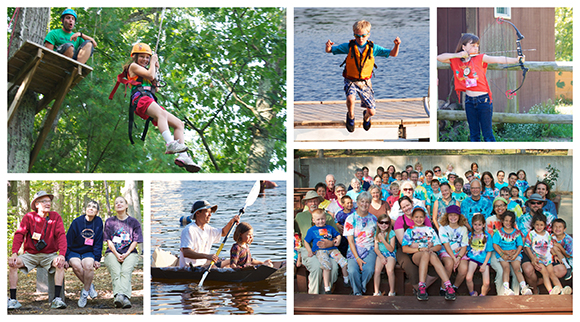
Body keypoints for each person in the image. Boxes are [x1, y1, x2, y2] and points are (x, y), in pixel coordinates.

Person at [113, 42, 200, 172]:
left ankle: (183, 156)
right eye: (142, 57)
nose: (145, 60)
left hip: (149, 100)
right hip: (140, 100)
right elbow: (150, 75)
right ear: (135, 57)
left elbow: (156, 88)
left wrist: (155, 69)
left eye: (147, 57)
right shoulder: (133, 66)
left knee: (179, 124)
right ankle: (170, 143)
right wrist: (153, 64)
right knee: (162, 114)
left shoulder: (148, 70)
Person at [437, 33, 525, 141]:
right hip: (469, 101)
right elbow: (439, 58)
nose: (476, 48)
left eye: (477, 45)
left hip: (483, 100)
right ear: (463, 47)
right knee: (474, 134)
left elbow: (499, 59)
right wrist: (458, 55)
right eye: (472, 45)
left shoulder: (480, 57)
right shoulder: (457, 60)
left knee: (487, 134)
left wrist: (517, 60)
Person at [325, 20, 400, 132]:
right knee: (351, 98)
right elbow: (330, 51)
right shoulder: (349, 46)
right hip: (350, 80)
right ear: (354, 34)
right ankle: (351, 116)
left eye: (363, 36)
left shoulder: (373, 48)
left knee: (372, 112)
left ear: (368, 35)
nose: (360, 39)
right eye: (357, 36)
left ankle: (366, 117)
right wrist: (328, 46)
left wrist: (396, 45)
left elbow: (393, 54)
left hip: (365, 83)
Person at [8, 191, 68, 310]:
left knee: (60, 264)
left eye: (49, 201)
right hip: (31, 254)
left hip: (49, 255)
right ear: (36, 204)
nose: (48, 203)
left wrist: (62, 254)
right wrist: (14, 252)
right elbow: (19, 234)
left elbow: (61, 235)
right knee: (13, 264)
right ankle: (13, 300)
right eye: (44, 201)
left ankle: (57, 299)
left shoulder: (55, 217)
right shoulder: (28, 217)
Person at [402, 206, 456, 301]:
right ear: (412, 218)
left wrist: (431, 248)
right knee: (426, 254)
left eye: (421, 217)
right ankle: (422, 286)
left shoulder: (430, 230)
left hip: (430, 254)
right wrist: (420, 249)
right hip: (417, 255)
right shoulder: (410, 231)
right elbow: (405, 248)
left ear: (425, 218)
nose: (419, 219)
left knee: (432, 255)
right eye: (416, 217)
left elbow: (438, 246)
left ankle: (448, 286)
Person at [295, 191, 340, 294]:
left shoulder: (327, 217)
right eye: (310, 201)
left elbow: (336, 235)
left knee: (333, 267)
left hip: (327, 249)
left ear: (319, 202)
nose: (313, 203)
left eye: (315, 200)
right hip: (308, 249)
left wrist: (331, 243)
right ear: (306, 203)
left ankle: (325, 294)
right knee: (316, 268)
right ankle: (313, 296)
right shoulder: (299, 217)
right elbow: (296, 235)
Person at [104, 196, 143, 308]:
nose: (119, 204)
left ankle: (119, 296)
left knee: (125, 271)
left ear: (126, 205)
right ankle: (124, 298)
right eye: (116, 203)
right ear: (114, 207)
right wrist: (117, 254)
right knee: (116, 271)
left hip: (130, 253)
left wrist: (126, 254)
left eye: (121, 202)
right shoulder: (109, 222)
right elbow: (109, 241)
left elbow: (136, 241)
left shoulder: (133, 222)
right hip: (112, 253)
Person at [393, 197, 436, 295]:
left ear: (412, 203)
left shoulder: (423, 217)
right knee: (411, 269)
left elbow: (430, 236)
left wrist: (426, 246)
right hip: (405, 250)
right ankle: (420, 290)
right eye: (403, 207)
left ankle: (420, 289)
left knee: (436, 266)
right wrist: (421, 245)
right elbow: (402, 241)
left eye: (408, 205)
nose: (406, 208)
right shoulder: (400, 220)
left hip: (425, 248)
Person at [65, 200, 104, 308]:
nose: (91, 208)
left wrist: (97, 258)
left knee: (88, 266)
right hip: (74, 251)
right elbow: (68, 241)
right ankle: (90, 286)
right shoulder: (76, 222)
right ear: (85, 209)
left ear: (97, 211)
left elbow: (98, 242)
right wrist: (65, 257)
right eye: (89, 206)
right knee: (76, 266)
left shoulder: (98, 222)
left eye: (94, 207)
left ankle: (84, 293)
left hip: (88, 251)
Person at [180, 200, 239, 268]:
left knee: (231, 262)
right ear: (197, 213)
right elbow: (186, 252)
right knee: (216, 267)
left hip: (203, 266)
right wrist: (207, 256)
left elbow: (223, 232)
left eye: (210, 212)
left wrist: (232, 222)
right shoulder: (189, 230)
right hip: (190, 268)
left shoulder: (208, 229)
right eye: (207, 212)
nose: (210, 215)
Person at [523, 214, 571, 295]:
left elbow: (550, 247)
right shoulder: (531, 234)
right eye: (537, 224)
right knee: (545, 274)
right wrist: (532, 258)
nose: (539, 227)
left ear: (545, 225)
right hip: (538, 258)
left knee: (552, 274)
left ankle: (562, 290)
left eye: (541, 225)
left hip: (547, 258)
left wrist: (555, 255)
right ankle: (550, 291)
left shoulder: (547, 234)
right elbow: (527, 247)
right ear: (533, 224)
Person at [303, 209, 349, 294]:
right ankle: (327, 287)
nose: (320, 221)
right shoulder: (312, 230)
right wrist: (309, 251)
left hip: (332, 249)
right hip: (320, 250)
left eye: (322, 219)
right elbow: (306, 241)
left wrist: (338, 239)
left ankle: (346, 280)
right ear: (313, 220)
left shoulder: (329, 228)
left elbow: (338, 234)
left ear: (325, 218)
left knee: (344, 262)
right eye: (318, 219)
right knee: (326, 266)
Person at [344, 192, 377, 295]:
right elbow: (350, 241)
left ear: (370, 203)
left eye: (367, 202)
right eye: (362, 201)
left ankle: (361, 287)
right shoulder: (350, 218)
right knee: (352, 271)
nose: (364, 204)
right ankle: (357, 292)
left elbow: (376, 238)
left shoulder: (374, 219)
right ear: (357, 203)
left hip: (369, 249)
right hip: (354, 249)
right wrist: (357, 258)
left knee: (369, 269)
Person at [492, 211, 533, 295]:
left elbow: (520, 245)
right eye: (506, 220)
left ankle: (524, 287)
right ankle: (506, 289)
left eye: (510, 221)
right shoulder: (498, 232)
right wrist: (502, 254)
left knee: (517, 269)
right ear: (502, 221)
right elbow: (495, 244)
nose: (508, 223)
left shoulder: (517, 233)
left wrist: (516, 254)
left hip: (514, 254)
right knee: (506, 269)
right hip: (503, 255)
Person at [485, 198, 521, 295]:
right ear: (494, 208)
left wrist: (514, 251)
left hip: (511, 250)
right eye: (497, 206)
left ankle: (516, 295)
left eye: (502, 205)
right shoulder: (490, 220)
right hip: (494, 251)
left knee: (517, 270)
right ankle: (502, 296)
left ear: (506, 206)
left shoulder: (511, 220)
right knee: (501, 271)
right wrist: (503, 252)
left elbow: (517, 237)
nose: (499, 208)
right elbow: (492, 240)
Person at [438, 205, 469, 294]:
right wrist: (454, 258)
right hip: (447, 252)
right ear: (447, 216)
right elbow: (446, 245)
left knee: (463, 269)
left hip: (460, 253)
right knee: (449, 264)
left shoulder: (463, 228)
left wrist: (458, 258)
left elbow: (464, 246)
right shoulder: (443, 228)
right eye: (450, 215)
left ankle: (454, 287)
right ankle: (443, 288)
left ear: (459, 216)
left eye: (455, 215)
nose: (453, 217)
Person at [465, 214, 493, 296]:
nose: (477, 227)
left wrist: (484, 265)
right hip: (473, 258)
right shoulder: (470, 235)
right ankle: (472, 293)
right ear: (472, 224)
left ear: (484, 225)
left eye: (479, 225)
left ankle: (482, 295)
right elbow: (466, 248)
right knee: (468, 278)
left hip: (484, 260)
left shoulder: (487, 236)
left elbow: (489, 251)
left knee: (487, 282)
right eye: (475, 224)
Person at [373, 213, 396, 296]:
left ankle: (392, 291)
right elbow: (376, 248)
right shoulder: (376, 233)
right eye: (381, 222)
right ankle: (376, 292)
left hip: (390, 254)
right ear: (378, 223)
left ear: (389, 224)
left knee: (390, 270)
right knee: (377, 271)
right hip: (380, 253)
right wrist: (381, 257)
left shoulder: (391, 233)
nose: (383, 225)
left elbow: (391, 248)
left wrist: (382, 239)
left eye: (386, 223)